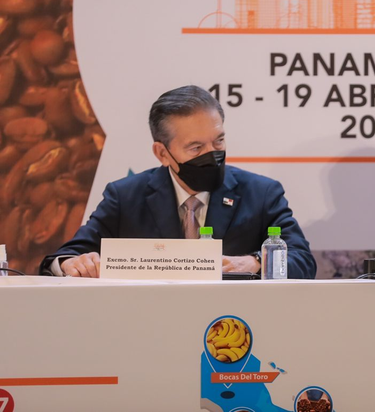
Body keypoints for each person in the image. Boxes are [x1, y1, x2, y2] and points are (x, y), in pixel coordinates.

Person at [40, 85, 317, 279]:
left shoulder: (261, 193)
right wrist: (72, 264)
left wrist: (256, 262)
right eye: (196, 148)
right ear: (162, 153)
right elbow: (63, 259)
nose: (212, 154)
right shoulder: (125, 196)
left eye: (219, 141)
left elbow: (303, 261)